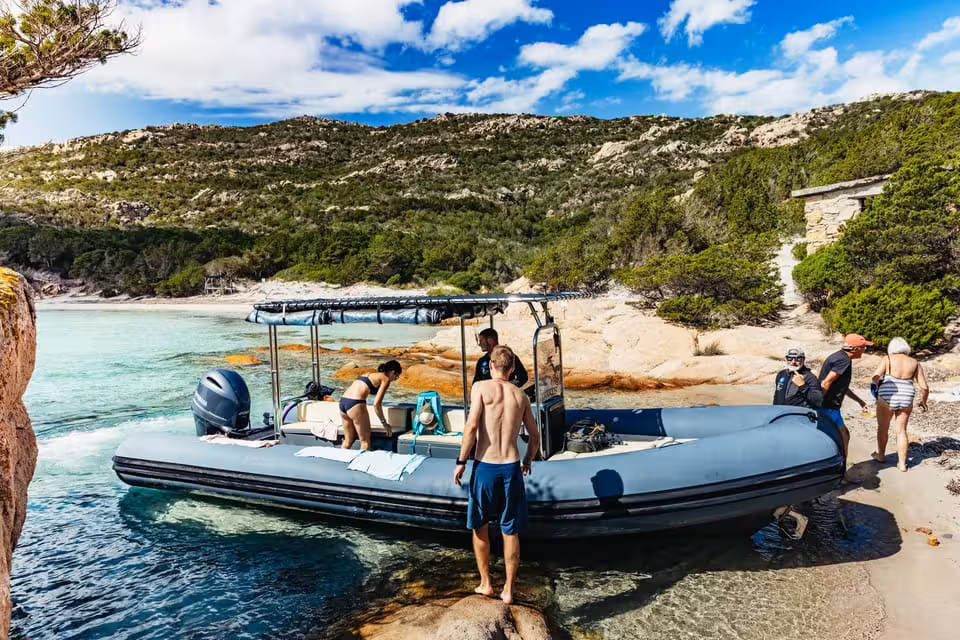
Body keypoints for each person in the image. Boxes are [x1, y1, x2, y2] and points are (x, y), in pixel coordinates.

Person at [454, 345, 540, 605]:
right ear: (512, 369)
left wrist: (460, 462)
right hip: (511, 466)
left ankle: (486, 583)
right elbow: (534, 437)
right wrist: (527, 460)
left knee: (480, 526)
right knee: (510, 530)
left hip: (486, 466)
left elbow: (471, 427)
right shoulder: (521, 396)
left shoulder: (480, 388)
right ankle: (509, 591)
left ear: (490, 366)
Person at [870, 337, 930, 472]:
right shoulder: (915, 362)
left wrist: (876, 388)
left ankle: (880, 455)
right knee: (901, 431)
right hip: (907, 395)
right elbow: (924, 387)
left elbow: (875, 376)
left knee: (883, 427)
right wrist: (923, 401)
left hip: (888, 394)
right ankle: (902, 464)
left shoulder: (887, 358)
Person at [818, 334, 873, 459]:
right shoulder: (844, 360)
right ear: (855, 349)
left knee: (842, 435)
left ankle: (838, 467)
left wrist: (860, 401)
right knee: (841, 436)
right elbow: (826, 382)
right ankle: (841, 470)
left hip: (830, 406)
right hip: (829, 406)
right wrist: (817, 402)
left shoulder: (839, 357)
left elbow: (841, 386)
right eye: (863, 347)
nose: (865, 350)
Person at [338, 360, 402, 450]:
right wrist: (385, 423)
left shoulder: (369, 374)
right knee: (365, 441)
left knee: (348, 440)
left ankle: (341, 461)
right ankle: (362, 464)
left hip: (343, 402)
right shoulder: (385, 379)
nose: (395, 379)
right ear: (392, 372)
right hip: (355, 403)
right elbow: (376, 404)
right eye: (396, 376)